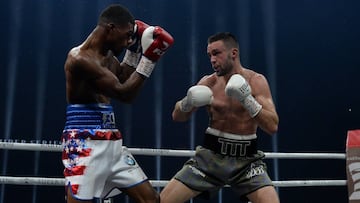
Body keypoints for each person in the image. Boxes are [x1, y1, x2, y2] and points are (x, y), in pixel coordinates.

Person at [61, 4, 173, 203]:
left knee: (151, 200)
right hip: (85, 144)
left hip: (112, 143)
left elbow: (123, 78)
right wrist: (150, 59)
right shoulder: (80, 59)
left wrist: (134, 51)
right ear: (111, 28)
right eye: (127, 35)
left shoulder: (109, 57)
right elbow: (125, 94)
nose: (129, 40)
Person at [160, 32, 279, 203]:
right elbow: (177, 116)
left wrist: (247, 100)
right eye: (209, 55)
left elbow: (272, 126)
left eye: (216, 53)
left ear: (234, 53)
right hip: (209, 159)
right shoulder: (208, 83)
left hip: (247, 161)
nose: (212, 60)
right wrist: (187, 102)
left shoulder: (256, 81)